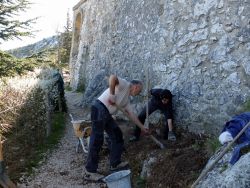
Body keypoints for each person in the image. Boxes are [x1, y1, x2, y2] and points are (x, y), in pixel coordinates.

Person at [85, 75, 149, 181]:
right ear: (136, 87)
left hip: (107, 114)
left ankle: (115, 163)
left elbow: (132, 115)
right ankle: (90, 172)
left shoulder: (126, 100)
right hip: (99, 108)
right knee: (97, 140)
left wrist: (142, 127)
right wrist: (112, 94)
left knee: (117, 135)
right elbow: (112, 78)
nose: (139, 93)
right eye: (140, 91)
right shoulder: (124, 84)